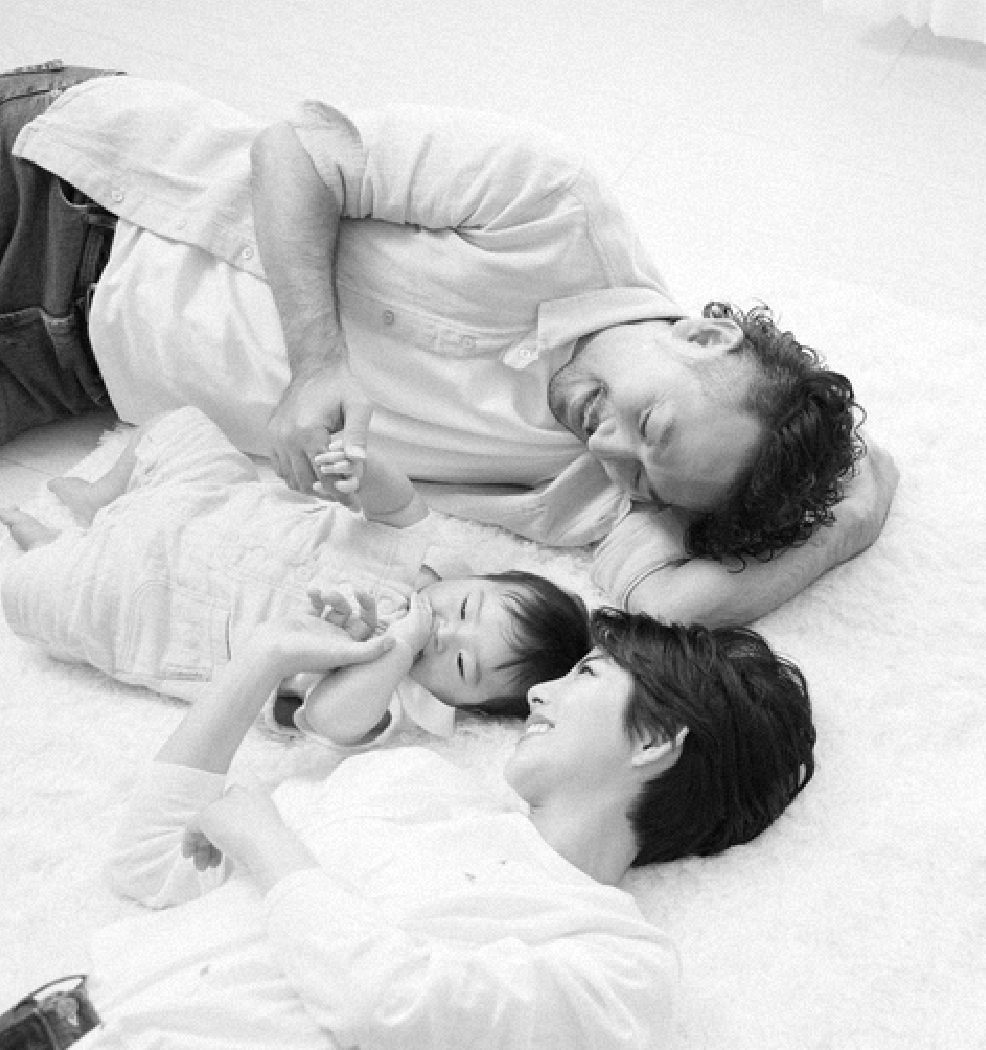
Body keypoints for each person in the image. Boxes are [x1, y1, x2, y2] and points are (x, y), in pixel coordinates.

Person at [0, 596, 815, 1050]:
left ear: (655, 741)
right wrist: (262, 660)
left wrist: (265, 840)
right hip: (37, 1033)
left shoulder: (620, 974)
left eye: (586, 676)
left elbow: (398, 1010)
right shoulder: (412, 784)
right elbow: (152, 864)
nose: (539, 691)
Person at [1, 62, 899, 630]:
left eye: (645, 479)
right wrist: (317, 364)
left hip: (62, 372)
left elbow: (667, 607)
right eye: (652, 426)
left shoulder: (602, 485)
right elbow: (296, 153)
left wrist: (847, 531)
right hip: (74, 199)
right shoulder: (551, 201)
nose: (612, 447)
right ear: (704, 335)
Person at [0, 406, 591, 747]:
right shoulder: (419, 553)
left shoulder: (395, 697)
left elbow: (329, 722)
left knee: (31, 594)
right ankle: (102, 497)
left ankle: (49, 547)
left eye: (462, 665)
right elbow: (397, 500)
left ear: (459, 704)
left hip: (140, 602)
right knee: (180, 424)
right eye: (465, 609)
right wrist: (358, 472)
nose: (445, 633)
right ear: (476, 578)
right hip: (207, 500)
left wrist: (396, 647)